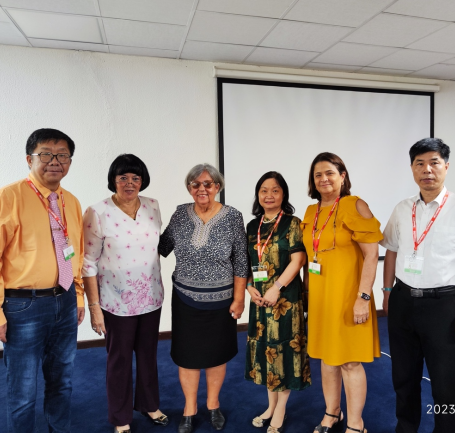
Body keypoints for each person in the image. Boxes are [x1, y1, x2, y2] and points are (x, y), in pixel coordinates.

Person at [0, 128, 85, 433]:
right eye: (45, 154)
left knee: (62, 381)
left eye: (62, 155)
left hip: (65, 301)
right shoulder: (6, 199)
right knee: (23, 391)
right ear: (29, 159)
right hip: (24, 308)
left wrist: (77, 296)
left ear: (70, 161)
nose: (54, 161)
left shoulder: (71, 202)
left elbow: (76, 254)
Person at [381, 138, 455, 433]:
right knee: (403, 378)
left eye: (434, 163)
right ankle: (406, 428)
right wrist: (387, 291)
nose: (427, 170)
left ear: (446, 167)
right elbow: (391, 250)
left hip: (445, 306)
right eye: (420, 163)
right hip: (403, 301)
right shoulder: (402, 208)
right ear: (412, 168)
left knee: (444, 384)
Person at [158, 163, 249, 433]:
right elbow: (162, 246)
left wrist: (239, 298)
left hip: (222, 301)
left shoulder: (233, 217)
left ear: (217, 187)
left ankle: (213, 404)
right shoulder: (180, 214)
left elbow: (241, 261)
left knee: (216, 355)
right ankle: (189, 408)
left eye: (208, 184)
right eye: (195, 184)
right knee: (187, 356)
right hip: (185, 299)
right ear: (189, 188)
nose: (202, 189)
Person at [82, 154, 166, 433]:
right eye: (123, 178)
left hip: (151, 295)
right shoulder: (97, 212)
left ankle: (149, 404)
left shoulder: (153, 205)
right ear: (113, 180)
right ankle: (121, 417)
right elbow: (88, 262)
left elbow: (157, 246)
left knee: (148, 354)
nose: (130, 183)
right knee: (119, 360)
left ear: (142, 181)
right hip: (116, 301)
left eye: (135, 178)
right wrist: (94, 307)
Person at [301, 152, 382, 433]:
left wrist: (363, 298)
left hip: (349, 297)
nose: (323, 179)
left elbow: (372, 256)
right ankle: (331, 413)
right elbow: (310, 258)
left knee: (349, 362)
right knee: (327, 358)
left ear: (342, 176)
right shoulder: (311, 212)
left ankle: (356, 423)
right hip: (321, 297)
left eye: (330, 173)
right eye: (318, 175)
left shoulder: (354, 205)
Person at [245, 171, 311, 433]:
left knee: (283, 352)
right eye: (264, 190)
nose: (269, 195)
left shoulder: (292, 223)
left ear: (283, 194)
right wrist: (250, 287)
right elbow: (248, 262)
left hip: (285, 300)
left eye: (275, 190)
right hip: (260, 300)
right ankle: (270, 407)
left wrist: (276, 288)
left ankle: (280, 409)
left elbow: (299, 260)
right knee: (267, 353)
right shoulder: (253, 226)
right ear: (258, 195)